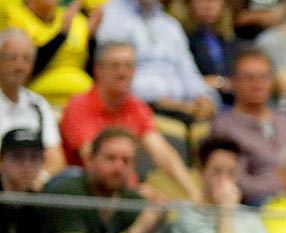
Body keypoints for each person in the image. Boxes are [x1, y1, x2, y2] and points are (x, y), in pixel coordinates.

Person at [58, 41, 201, 201]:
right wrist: (137, 193)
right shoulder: (79, 106)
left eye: (129, 66)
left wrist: (194, 194)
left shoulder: (136, 106)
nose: (123, 72)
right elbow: (96, 163)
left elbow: (163, 154)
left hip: (122, 193)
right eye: (115, 66)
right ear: (98, 70)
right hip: (83, 195)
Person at [207, 48, 286, 205]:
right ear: (234, 82)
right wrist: (285, 187)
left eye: (264, 77)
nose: (258, 84)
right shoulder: (224, 126)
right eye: (249, 78)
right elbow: (232, 179)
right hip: (257, 205)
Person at [0, 30, 63, 172]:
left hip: (32, 187)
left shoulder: (38, 105)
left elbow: (56, 160)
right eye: (11, 57)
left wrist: (37, 182)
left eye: (26, 58)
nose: (19, 66)